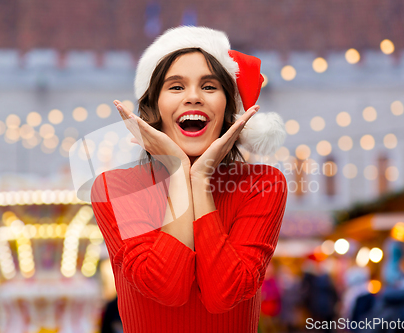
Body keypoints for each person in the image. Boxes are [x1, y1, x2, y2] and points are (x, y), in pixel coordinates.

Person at [90, 26, 287, 333]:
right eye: (176, 87)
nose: (193, 97)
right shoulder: (116, 188)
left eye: (209, 87)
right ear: (154, 107)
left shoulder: (262, 183)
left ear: (228, 108)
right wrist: (179, 172)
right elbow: (167, 288)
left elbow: (224, 295)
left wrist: (200, 180)